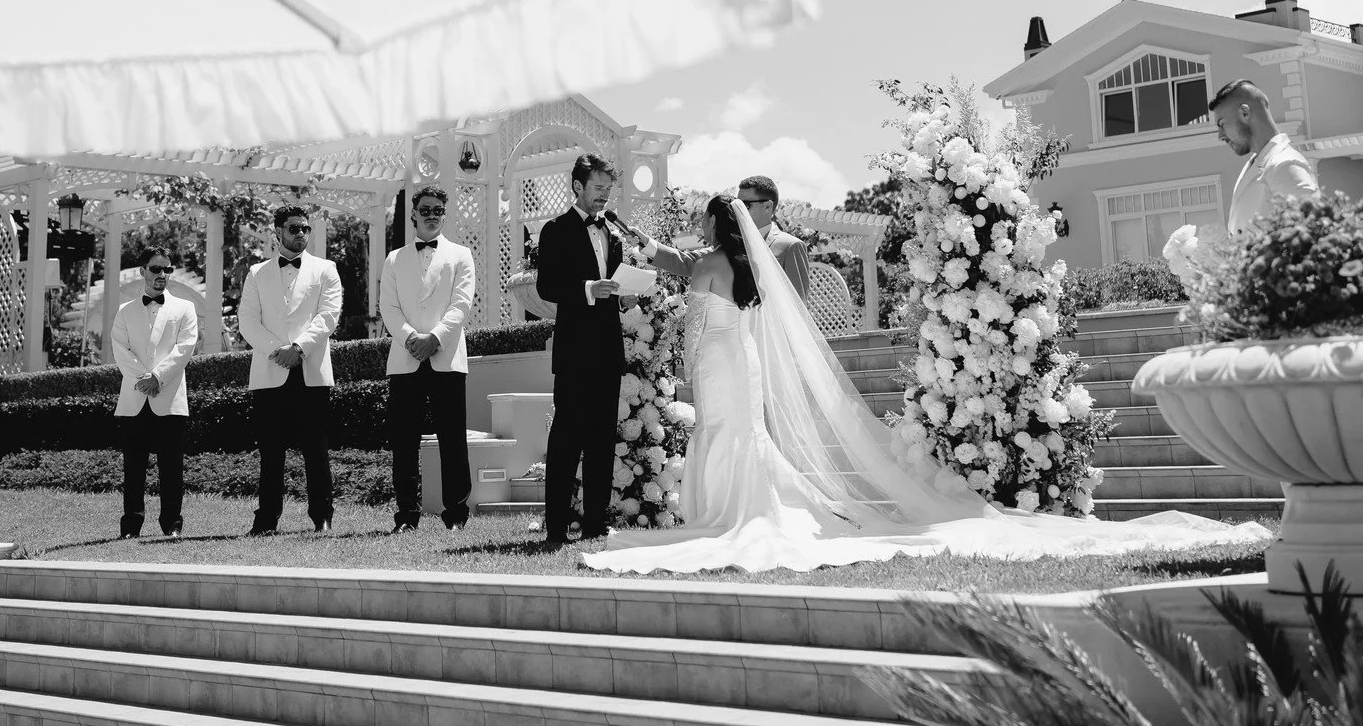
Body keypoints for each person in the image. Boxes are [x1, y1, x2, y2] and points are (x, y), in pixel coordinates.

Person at [583, 193, 1271, 576]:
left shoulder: (709, 265)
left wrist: (638, 251)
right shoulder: (742, 268)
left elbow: (680, 274)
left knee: (733, 433)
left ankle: (730, 515)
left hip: (723, 363)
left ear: (715, 225)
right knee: (736, 433)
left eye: (707, 219)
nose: (704, 226)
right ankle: (733, 508)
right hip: (730, 361)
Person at [535, 153, 627, 546]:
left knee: (603, 440)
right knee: (566, 440)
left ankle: (595, 523)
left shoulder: (615, 233)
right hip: (574, 354)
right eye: (598, 188)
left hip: (608, 351)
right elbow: (546, 288)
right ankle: (555, 526)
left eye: (608, 189)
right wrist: (589, 289)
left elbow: (617, 288)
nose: (604, 196)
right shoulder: (554, 230)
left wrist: (627, 294)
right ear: (578, 186)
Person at [238, 205, 343, 535]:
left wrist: (298, 348)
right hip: (270, 372)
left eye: (305, 229)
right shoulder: (256, 273)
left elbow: (328, 316)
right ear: (278, 231)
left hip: (310, 370)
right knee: (271, 453)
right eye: (294, 228)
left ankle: (322, 517)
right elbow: (247, 321)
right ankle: (267, 519)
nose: (301, 234)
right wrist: (277, 351)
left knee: (316, 450)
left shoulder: (327, 269)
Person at [379, 184, 477, 533]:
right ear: (413, 215)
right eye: (426, 209)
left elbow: (462, 304)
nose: (432, 215)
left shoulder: (461, 255)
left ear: (444, 214)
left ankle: (456, 515)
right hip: (405, 361)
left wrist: (434, 338)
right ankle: (406, 516)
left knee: (453, 440)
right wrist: (411, 340)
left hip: (446, 358)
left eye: (438, 209)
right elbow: (388, 308)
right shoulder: (394, 259)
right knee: (404, 443)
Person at [111, 247, 198, 540]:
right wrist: (143, 379)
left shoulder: (185, 308)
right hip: (134, 399)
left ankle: (172, 525)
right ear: (142, 272)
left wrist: (158, 377)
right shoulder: (124, 312)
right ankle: (130, 527)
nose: (162, 274)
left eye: (167, 269)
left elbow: (185, 348)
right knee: (133, 469)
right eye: (156, 268)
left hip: (170, 398)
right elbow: (120, 350)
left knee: (172, 468)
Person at [1210, 79, 1320, 235]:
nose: (1220, 136)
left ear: (1245, 113)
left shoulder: (1285, 165)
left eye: (1222, 124)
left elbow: (1310, 233)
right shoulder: (1257, 163)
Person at [737, 174, 810, 300]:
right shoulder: (734, 241)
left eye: (745, 205)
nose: (738, 210)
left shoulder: (791, 246)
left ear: (767, 206)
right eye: (737, 205)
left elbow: (798, 303)